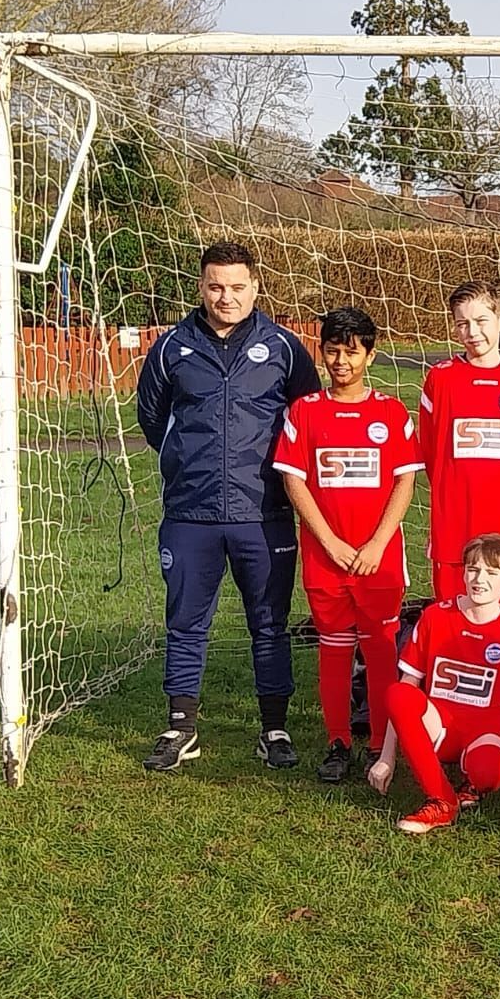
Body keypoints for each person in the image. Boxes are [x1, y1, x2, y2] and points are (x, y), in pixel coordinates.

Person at [135, 240, 321, 772]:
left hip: (263, 514)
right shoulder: (171, 348)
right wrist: (190, 463)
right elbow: (153, 419)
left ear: (255, 287)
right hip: (190, 515)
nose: (227, 297)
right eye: (216, 286)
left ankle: (274, 729)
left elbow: (306, 419)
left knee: (269, 624)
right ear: (201, 286)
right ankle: (181, 728)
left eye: (238, 287)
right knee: (186, 624)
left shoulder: (283, 347)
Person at [272, 306, 424, 782]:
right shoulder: (305, 412)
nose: (341, 362)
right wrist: (330, 541)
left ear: (370, 356)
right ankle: (338, 742)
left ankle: (381, 744)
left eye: (352, 353)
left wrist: (377, 543)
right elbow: (294, 482)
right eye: (333, 351)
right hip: (327, 558)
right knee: (335, 651)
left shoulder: (391, 413)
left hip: (378, 559)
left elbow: (404, 482)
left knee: (380, 652)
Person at [366, 533, 500, 834]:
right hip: (440, 727)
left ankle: (474, 781)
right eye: (473, 569)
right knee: (398, 693)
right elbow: (409, 683)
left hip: (486, 730)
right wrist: (386, 758)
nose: (479, 579)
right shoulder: (435, 616)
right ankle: (441, 800)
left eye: (491, 572)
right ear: (463, 573)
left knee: (489, 773)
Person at [418, 281, 500, 612]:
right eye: (462, 323)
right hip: (455, 526)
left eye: (481, 321)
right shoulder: (440, 380)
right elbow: (430, 452)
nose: (472, 332)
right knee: (452, 616)